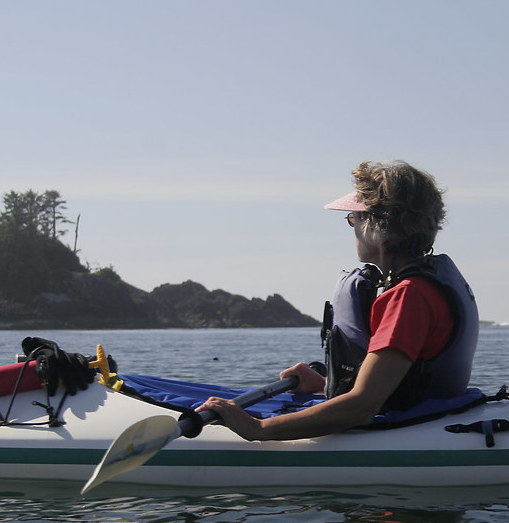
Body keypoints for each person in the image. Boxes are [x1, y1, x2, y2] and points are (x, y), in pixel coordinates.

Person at [197, 160, 479, 440]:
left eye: (353, 218)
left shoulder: (408, 296)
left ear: (378, 224)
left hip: (409, 424)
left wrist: (256, 428)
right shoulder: (427, 282)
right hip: (430, 413)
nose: (352, 227)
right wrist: (323, 385)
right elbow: (399, 384)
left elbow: (362, 407)